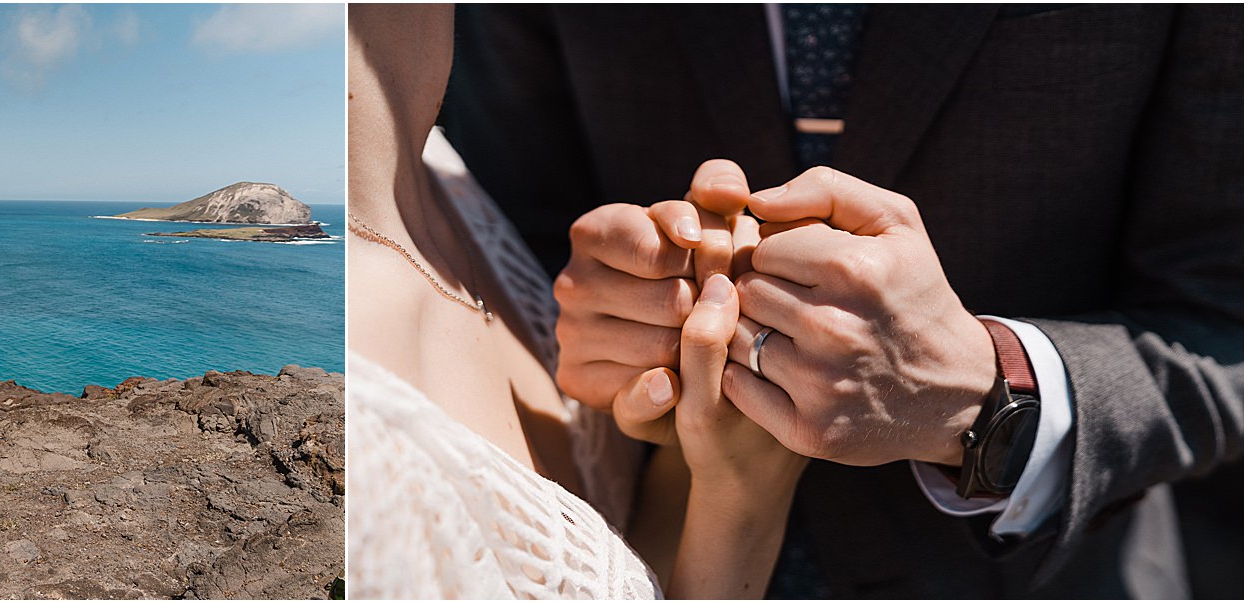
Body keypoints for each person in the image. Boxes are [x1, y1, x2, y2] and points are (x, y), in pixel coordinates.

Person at [441, 4, 1243, 597]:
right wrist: (594, 318)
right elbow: (506, 229)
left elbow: (1224, 322)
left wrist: (984, 392)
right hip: (652, 548)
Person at [346, 5, 804, 598]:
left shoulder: (448, 173)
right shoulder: (356, 443)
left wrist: (722, 454)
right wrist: (747, 507)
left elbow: (636, 569)